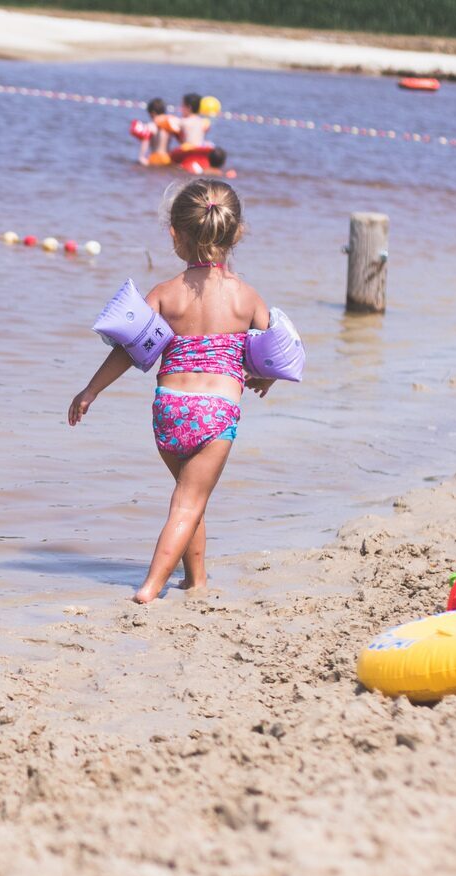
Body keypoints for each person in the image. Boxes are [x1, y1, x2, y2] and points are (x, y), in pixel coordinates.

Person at [67, 179, 277, 603]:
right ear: (236, 233)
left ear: (175, 234)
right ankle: (150, 587)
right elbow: (273, 352)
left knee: (189, 493)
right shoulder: (247, 298)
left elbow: (129, 350)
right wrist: (264, 379)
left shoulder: (164, 294)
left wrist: (91, 390)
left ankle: (195, 581)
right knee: (188, 502)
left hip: (170, 411)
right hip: (215, 414)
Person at [137, 97, 175, 166]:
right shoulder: (169, 125)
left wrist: (141, 157)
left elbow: (145, 141)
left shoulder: (151, 126)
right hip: (167, 157)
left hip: (156, 157)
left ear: (152, 113)